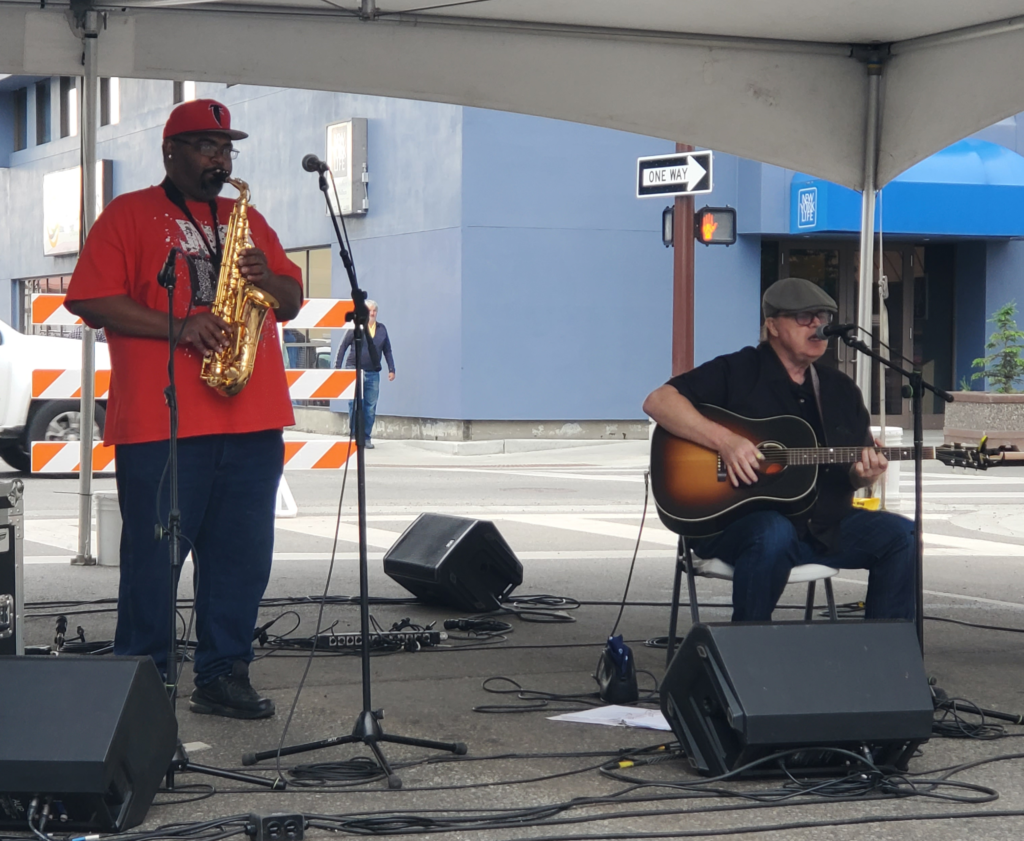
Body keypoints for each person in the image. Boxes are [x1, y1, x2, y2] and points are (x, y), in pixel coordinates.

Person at [64, 99, 303, 719]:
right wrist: (178, 324)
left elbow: (292, 298)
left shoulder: (246, 219)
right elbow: (89, 299)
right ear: (170, 151)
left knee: (242, 562)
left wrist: (266, 278)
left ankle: (224, 675)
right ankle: (143, 685)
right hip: (162, 425)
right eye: (206, 146)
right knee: (152, 562)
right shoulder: (129, 214)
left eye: (226, 149)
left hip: (252, 421)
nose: (219, 159)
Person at [642, 277, 914, 623]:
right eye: (804, 317)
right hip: (733, 527)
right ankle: (748, 657)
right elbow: (658, 401)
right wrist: (726, 441)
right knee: (774, 532)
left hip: (823, 528)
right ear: (772, 325)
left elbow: (852, 471)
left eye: (823, 317)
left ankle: (888, 662)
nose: (818, 325)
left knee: (901, 536)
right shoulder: (738, 371)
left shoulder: (840, 390)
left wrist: (862, 476)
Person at [334, 299, 395, 448]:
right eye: (369, 310)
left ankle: (366, 437)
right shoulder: (356, 327)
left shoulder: (382, 329)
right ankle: (355, 435)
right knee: (354, 404)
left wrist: (392, 369)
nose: (372, 313)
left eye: (374, 311)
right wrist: (337, 368)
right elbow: (343, 347)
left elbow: (387, 350)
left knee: (370, 407)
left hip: (373, 373)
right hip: (353, 369)